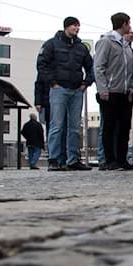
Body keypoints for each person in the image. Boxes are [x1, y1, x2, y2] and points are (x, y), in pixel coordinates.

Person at [37, 16, 94, 171]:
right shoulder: (51, 44)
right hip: (59, 89)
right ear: (66, 27)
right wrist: (52, 83)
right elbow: (41, 65)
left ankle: (73, 159)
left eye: (78, 26)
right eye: (74, 26)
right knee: (57, 125)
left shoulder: (81, 47)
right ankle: (54, 159)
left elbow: (91, 67)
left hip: (76, 90)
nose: (77, 28)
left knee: (75, 127)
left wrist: (85, 83)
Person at [94, 12, 133, 171]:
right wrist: (103, 89)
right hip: (110, 92)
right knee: (109, 127)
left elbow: (129, 69)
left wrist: (131, 88)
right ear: (123, 24)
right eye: (129, 23)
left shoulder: (125, 45)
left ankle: (122, 159)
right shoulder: (106, 42)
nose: (130, 26)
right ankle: (110, 160)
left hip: (125, 93)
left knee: (124, 127)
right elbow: (98, 66)